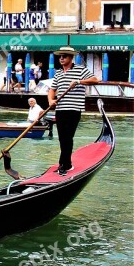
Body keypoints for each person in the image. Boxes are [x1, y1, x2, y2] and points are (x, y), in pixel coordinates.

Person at [48, 46, 99, 175]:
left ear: (71, 58)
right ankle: (64, 164)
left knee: (68, 137)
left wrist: (78, 81)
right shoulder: (58, 73)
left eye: (64, 56)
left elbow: (95, 80)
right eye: (60, 56)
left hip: (74, 109)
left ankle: (66, 165)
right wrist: (51, 100)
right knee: (61, 138)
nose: (61, 58)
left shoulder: (80, 70)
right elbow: (52, 89)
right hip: (60, 109)